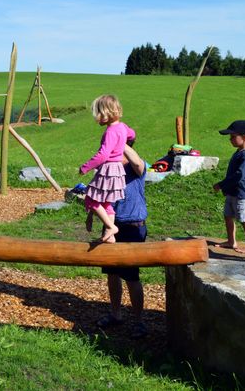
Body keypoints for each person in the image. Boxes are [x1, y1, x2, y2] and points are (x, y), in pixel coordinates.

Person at [96, 139, 148, 339]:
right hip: (111, 227)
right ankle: (116, 314)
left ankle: (139, 321)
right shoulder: (110, 169)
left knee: (132, 276)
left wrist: (118, 138)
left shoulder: (136, 168)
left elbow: (136, 161)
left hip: (133, 228)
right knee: (112, 274)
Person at [79, 94, 136, 243]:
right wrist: (125, 141)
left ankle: (111, 227)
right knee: (106, 203)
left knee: (90, 199)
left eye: (98, 113)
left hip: (109, 169)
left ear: (107, 113)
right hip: (117, 170)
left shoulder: (110, 132)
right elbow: (132, 134)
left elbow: (103, 155)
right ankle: (110, 237)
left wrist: (85, 167)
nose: (96, 117)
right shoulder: (122, 127)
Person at [213, 120, 245, 253]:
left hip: (243, 194)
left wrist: (222, 185)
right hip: (233, 192)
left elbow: (240, 175)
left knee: (244, 219)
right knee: (228, 215)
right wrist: (227, 188)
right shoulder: (239, 152)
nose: (230, 139)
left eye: (233, 136)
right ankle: (231, 241)